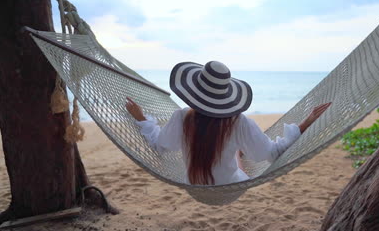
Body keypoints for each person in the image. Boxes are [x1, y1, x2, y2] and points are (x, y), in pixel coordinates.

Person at [126, 61, 331, 186]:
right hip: (227, 183)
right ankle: (237, 153)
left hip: (194, 183)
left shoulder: (182, 116)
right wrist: (305, 123)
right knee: (235, 158)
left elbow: (160, 145)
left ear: (195, 90)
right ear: (225, 94)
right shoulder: (239, 123)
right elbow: (272, 154)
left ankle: (236, 152)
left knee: (229, 150)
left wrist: (141, 118)